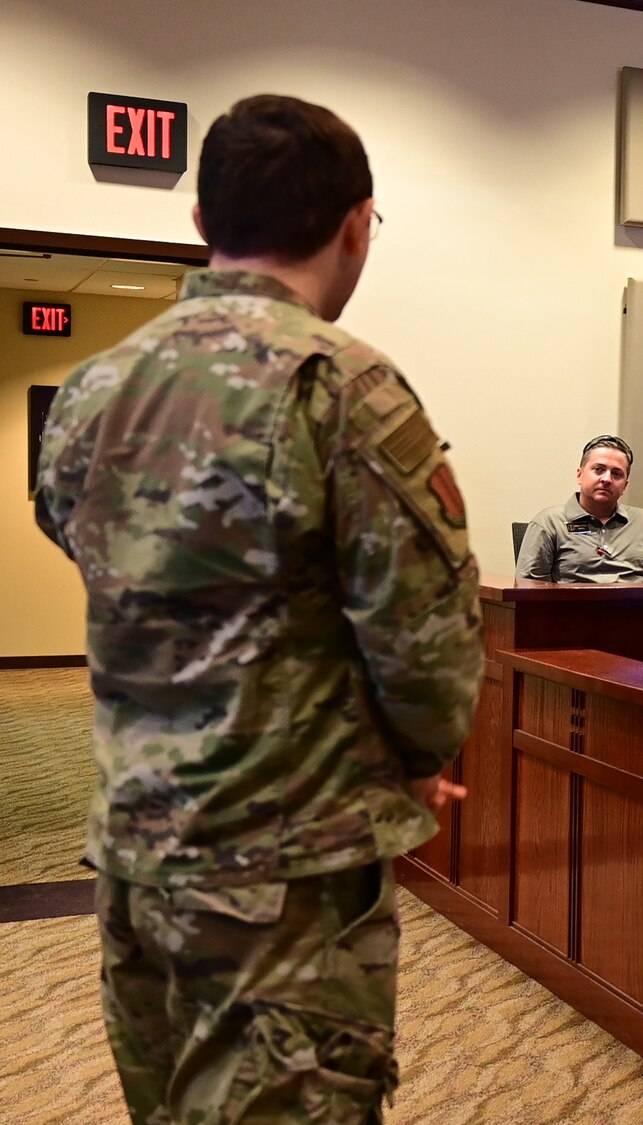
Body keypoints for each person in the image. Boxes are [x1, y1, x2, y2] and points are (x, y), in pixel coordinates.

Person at [33, 94, 482, 1124]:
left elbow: (84, 543)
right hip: (284, 877)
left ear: (202, 223)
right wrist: (417, 756)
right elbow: (423, 646)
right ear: (357, 223)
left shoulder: (97, 387)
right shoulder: (344, 387)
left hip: (137, 853)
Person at [516, 434, 643, 582]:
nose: (606, 479)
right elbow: (528, 590)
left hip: (637, 610)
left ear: (625, 485)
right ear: (580, 475)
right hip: (573, 610)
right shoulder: (550, 522)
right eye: (598, 469)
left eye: (616, 474)